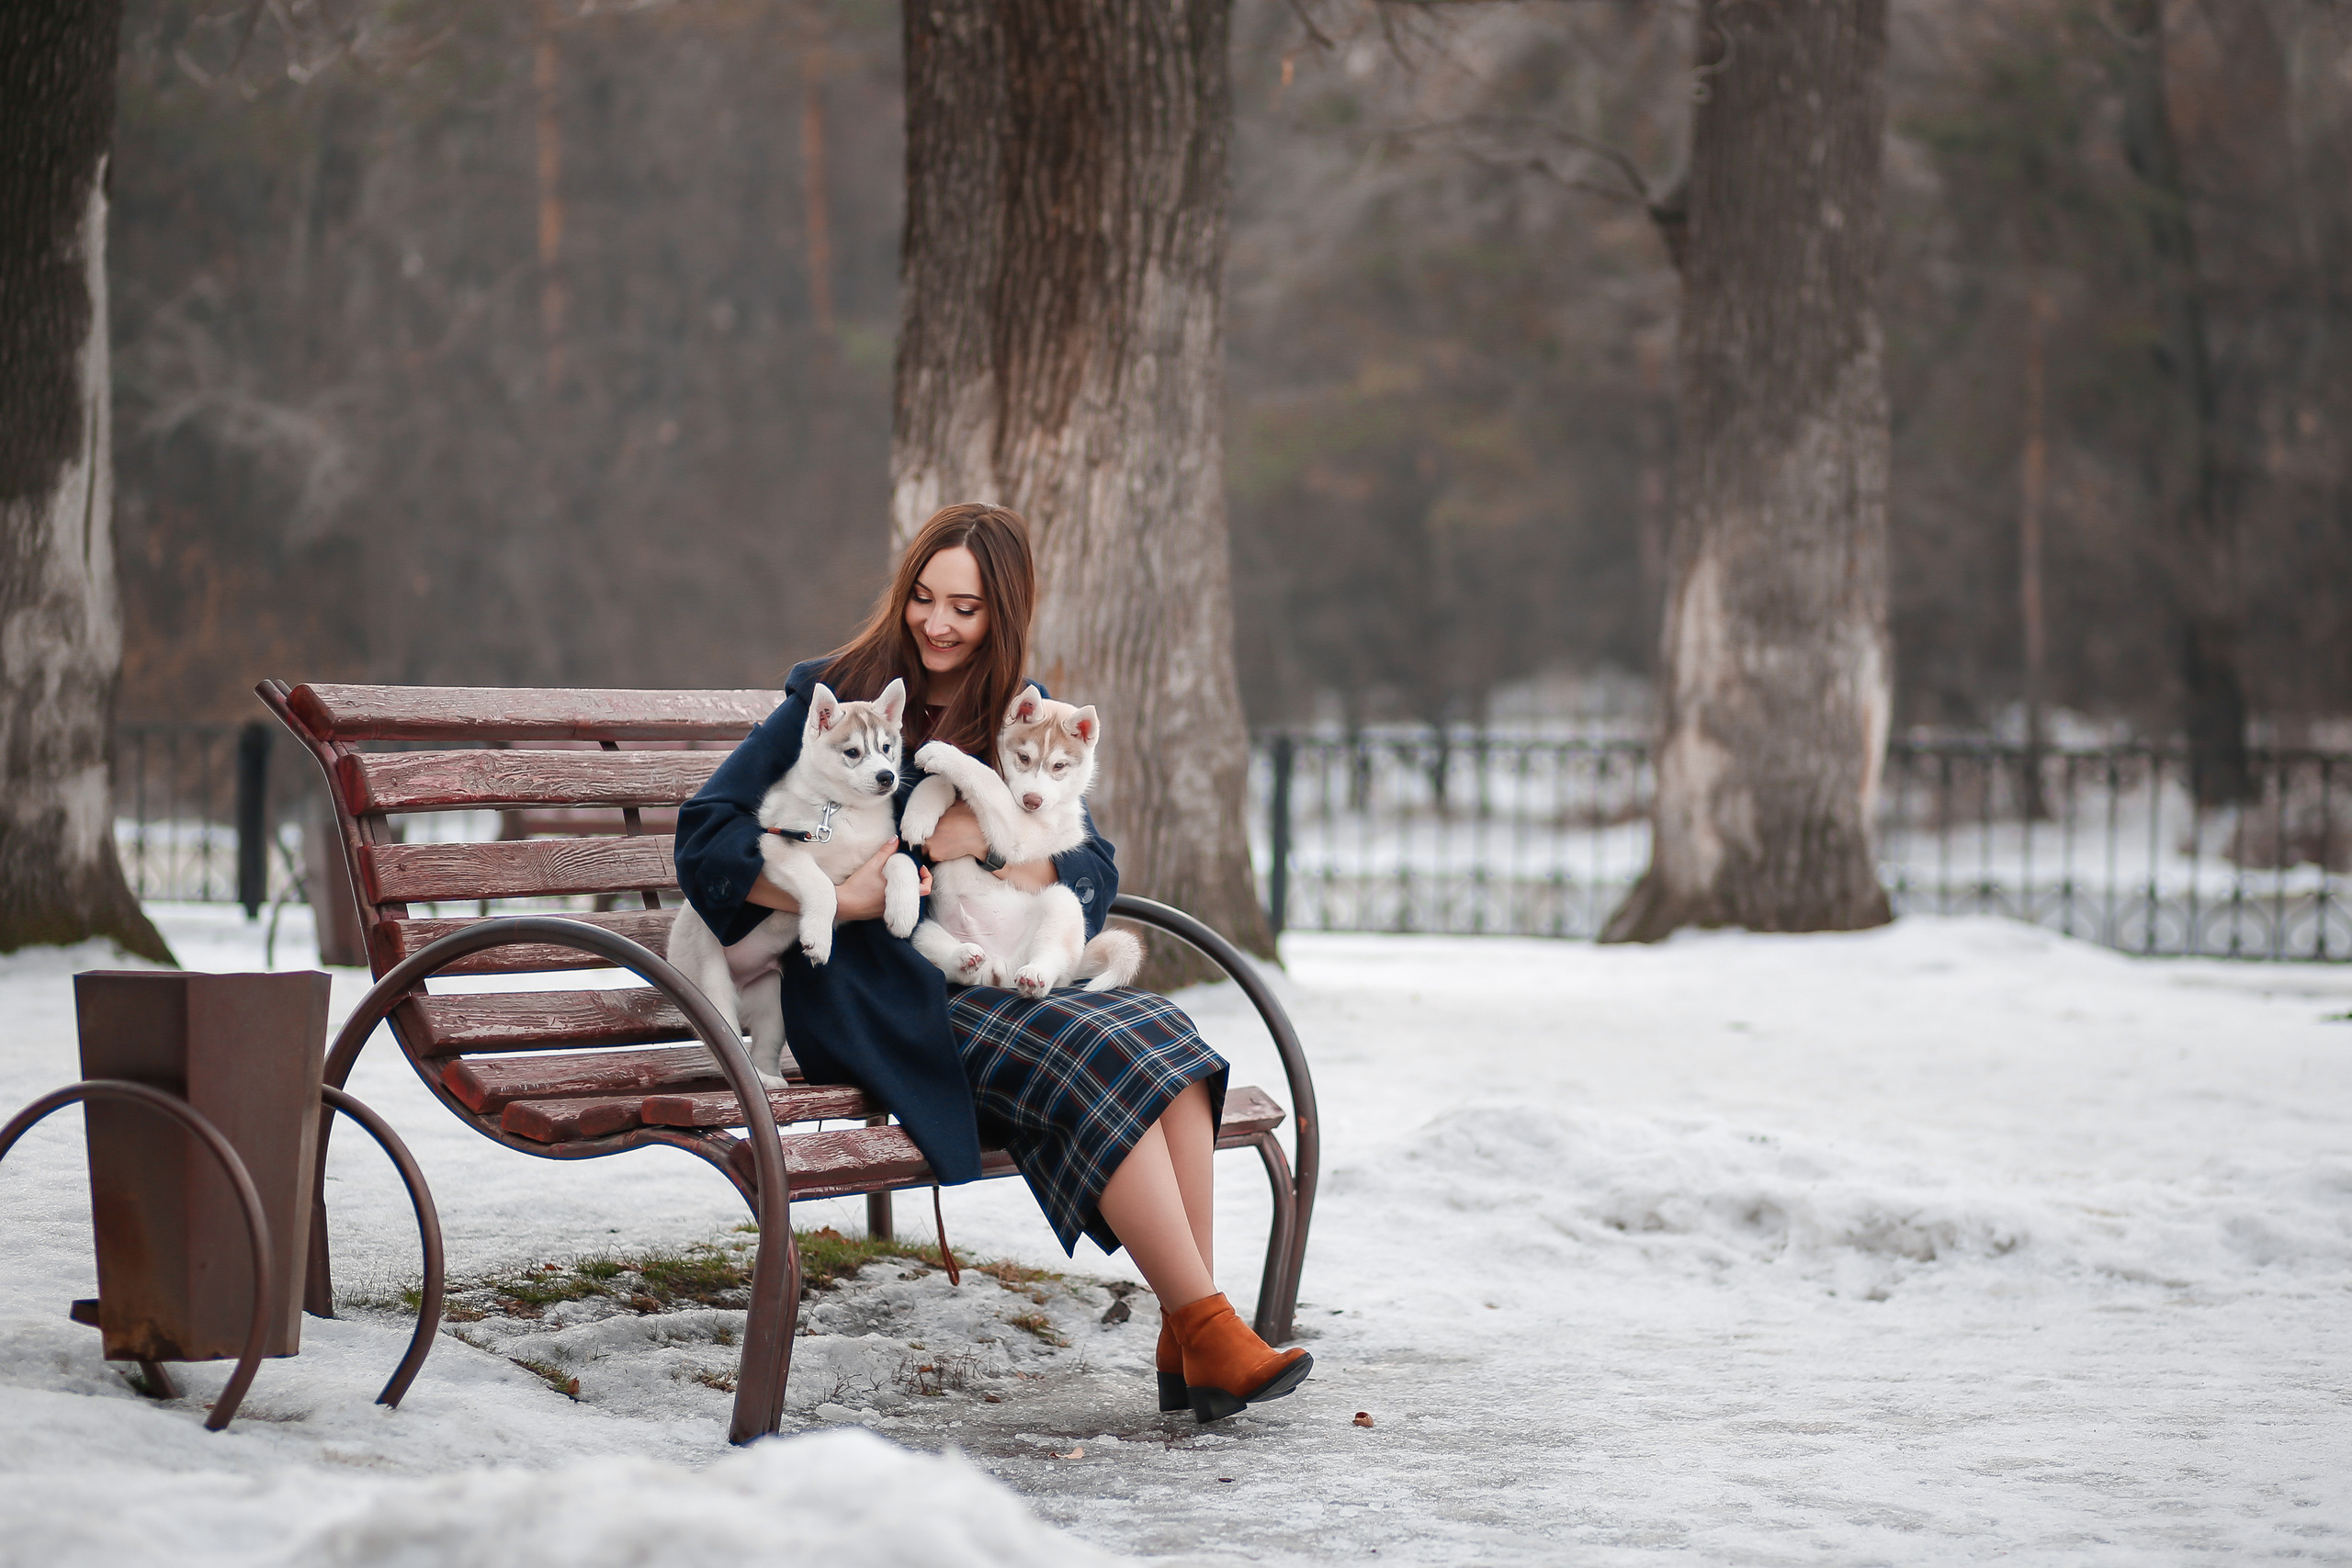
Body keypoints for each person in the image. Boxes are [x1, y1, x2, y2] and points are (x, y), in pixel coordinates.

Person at [673, 502, 1310, 1421]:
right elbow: (707, 840)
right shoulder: (831, 694)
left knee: (1159, 1029)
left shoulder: (1013, 712)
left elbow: (1094, 861)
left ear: (999, 616)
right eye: (924, 598)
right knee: (1092, 1051)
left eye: (964, 609)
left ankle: (1192, 1331)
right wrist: (841, 891)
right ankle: (1204, 1326)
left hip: (982, 963)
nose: (937, 623)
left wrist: (1002, 843)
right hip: (865, 992)